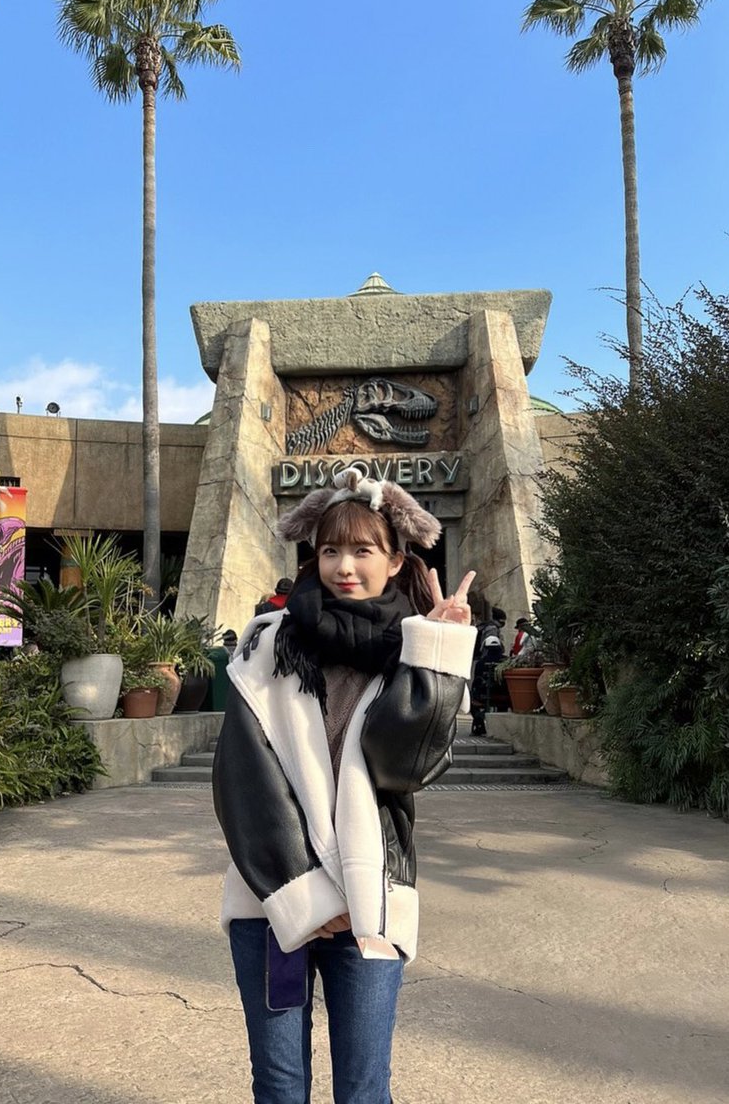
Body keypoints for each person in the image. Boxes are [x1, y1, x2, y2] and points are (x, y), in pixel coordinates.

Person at [213, 468, 476, 1104]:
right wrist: (308, 898)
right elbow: (245, 782)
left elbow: (403, 768)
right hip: (274, 905)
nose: (345, 566)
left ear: (396, 560)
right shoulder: (268, 644)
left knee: (363, 1089)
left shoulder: (411, 652)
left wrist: (438, 653)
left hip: (370, 904)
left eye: (363, 550)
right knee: (279, 1087)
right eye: (331, 550)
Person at [469, 598, 505, 735]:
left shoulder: (481, 663)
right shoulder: (504, 661)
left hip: (483, 695)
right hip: (501, 696)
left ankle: (479, 724)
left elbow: (476, 682)